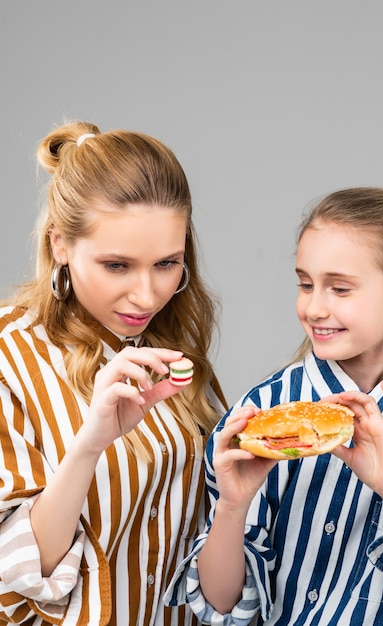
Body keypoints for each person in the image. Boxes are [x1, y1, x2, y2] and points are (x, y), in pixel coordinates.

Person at [0, 121, 227, 626]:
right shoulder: (9, 359)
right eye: (117, 266)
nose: (147, 296)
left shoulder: (175, 351)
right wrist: (88, 444)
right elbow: (14, 578)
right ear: (60, 244)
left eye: (167, 263)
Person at [165, 187, 383, 625]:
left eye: (340, 288)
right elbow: (220, 607)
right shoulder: (263, 411)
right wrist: (231, 506)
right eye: (305, 284)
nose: (314, 307)